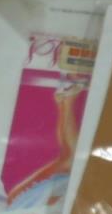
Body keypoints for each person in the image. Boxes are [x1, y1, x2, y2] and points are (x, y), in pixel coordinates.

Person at [7, 75, 85, 206]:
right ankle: (64, 102)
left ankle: (67, 101)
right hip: (16, 201)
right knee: (67, 159)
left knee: (70, 159)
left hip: (20, 203)